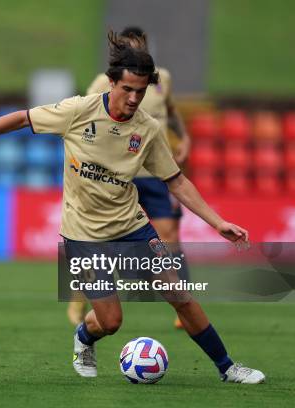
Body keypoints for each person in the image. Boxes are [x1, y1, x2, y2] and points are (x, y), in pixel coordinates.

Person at [0, 31, 264, 384]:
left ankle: (227, 367)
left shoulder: (148, 129)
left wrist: (218, 222)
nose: (135, 98)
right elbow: (22, 118)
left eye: (142, 91)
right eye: (128, 89)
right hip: (83, 235)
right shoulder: (79, 110)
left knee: (179, 294)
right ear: (111, 82)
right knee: (110, 322)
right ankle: (84, 338)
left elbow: (176, 181)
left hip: (133, 227)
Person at [67, 26, 192, 329]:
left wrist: (183, 136)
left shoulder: (161, 79)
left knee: (170, 236)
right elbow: (88, 121)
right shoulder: (102, 82)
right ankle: (79, 298)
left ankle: (181, 304)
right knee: (103, 243)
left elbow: (172, 111)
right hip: (117, 173)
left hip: (152, 172)